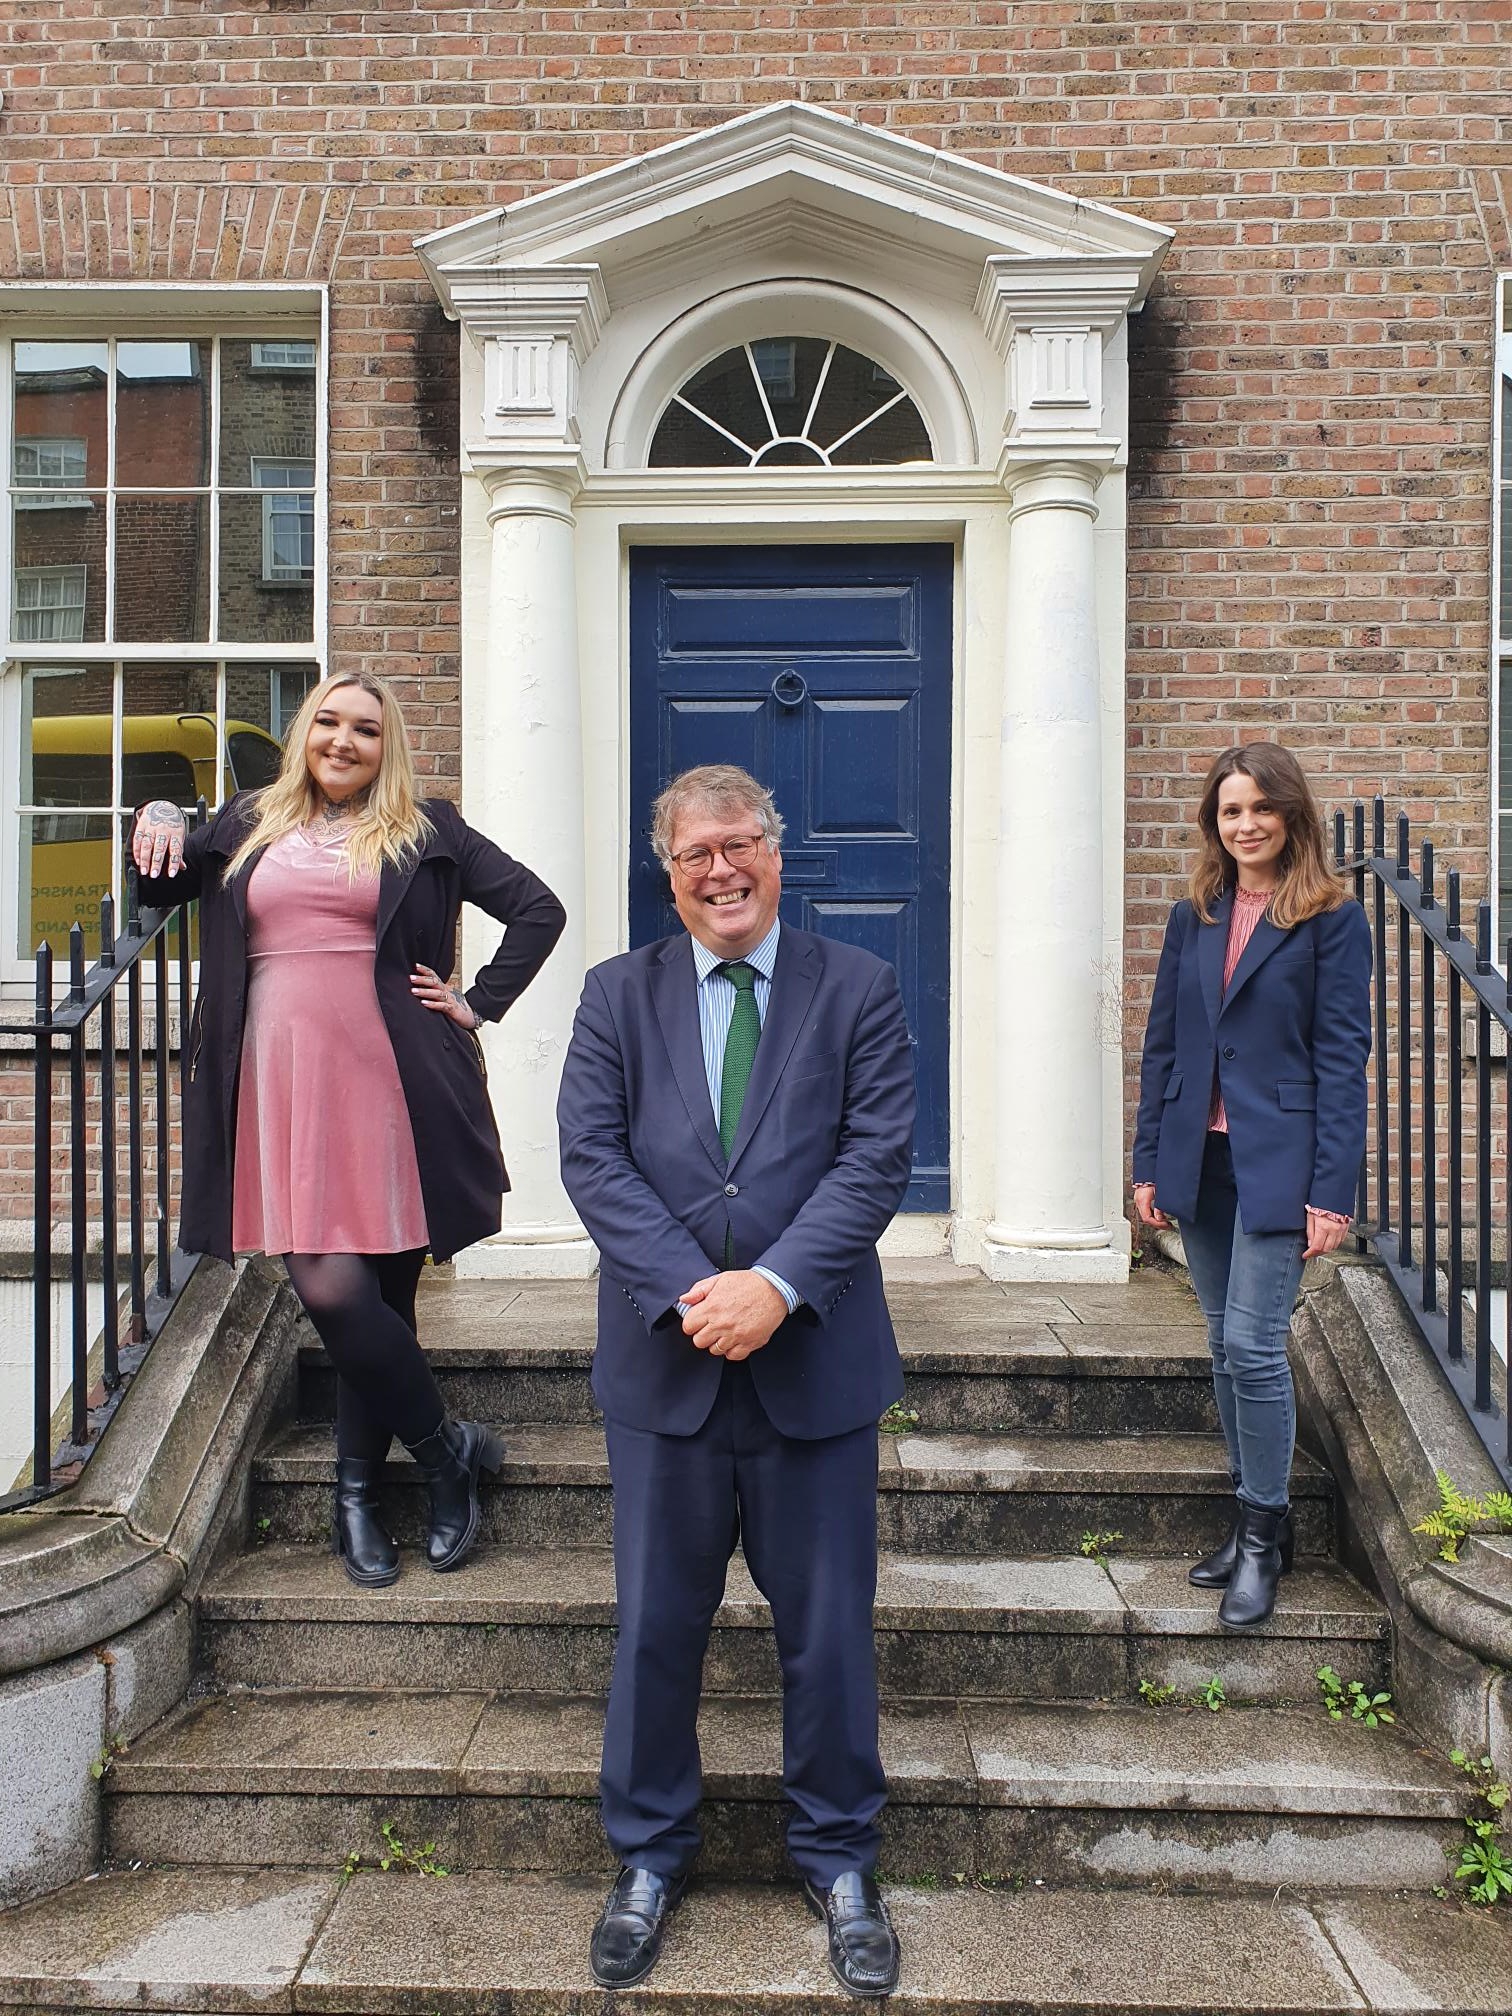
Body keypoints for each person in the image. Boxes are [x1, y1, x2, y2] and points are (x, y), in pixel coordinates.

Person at [557, 763, 915, 1999]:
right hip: (666, 1369)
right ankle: (649, 1857)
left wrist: (775, 1286)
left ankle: (839, 1859)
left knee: (827, 1637)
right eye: (698, 852)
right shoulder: (617, 994)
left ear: (776, 852)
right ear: (669, 875)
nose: (723, 869)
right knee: (659, 1629)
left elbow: (876, 1159)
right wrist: (694, 1292)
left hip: (816, 1367)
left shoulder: (856, 986)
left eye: (742, 843)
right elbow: (593, 1158)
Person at [131, 673, 565, 1587]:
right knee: (330, 1290)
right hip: (280, 1077)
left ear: (386, 746)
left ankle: (358, 1494)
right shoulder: (246, 821)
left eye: (365, 730)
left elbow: (538, 909)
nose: (343, 741)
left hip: (394, 1078)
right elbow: (156, 893)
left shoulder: (427, 827)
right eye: (327, 722)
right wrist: (163, 810)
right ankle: (450, 1457)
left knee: (382, 1301)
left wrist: (477, 1001)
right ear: (303, 733)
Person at [1132, 741, 1371, 1628]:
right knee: (1221, 1343)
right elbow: (1166, 1046)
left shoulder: (1333, 920)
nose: (1245, 826)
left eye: (1260, 810)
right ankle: (1251, 1517)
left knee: (1254, 1347)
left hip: (1282, 1162)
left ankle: (1267, 1537)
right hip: (1202, 1159)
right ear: (1214, 822)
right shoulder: (1193, 914)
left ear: (1290, 815)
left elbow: (1344, 1062)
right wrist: (1149, 1162)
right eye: (1230, 811)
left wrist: (1332, 1190)